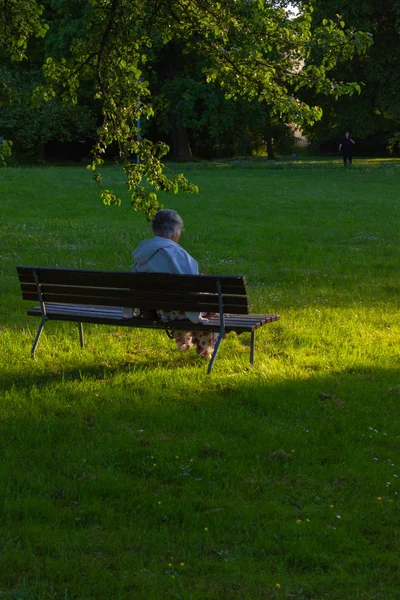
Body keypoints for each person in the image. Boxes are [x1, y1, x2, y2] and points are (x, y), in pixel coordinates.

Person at [124, 209, 220, 358]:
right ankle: (205, 348)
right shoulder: (177, 253)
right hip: (177, 310)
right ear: (175, 231)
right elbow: (192, 287)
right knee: (215, 299)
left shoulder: (142, 251)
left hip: (158, 310)